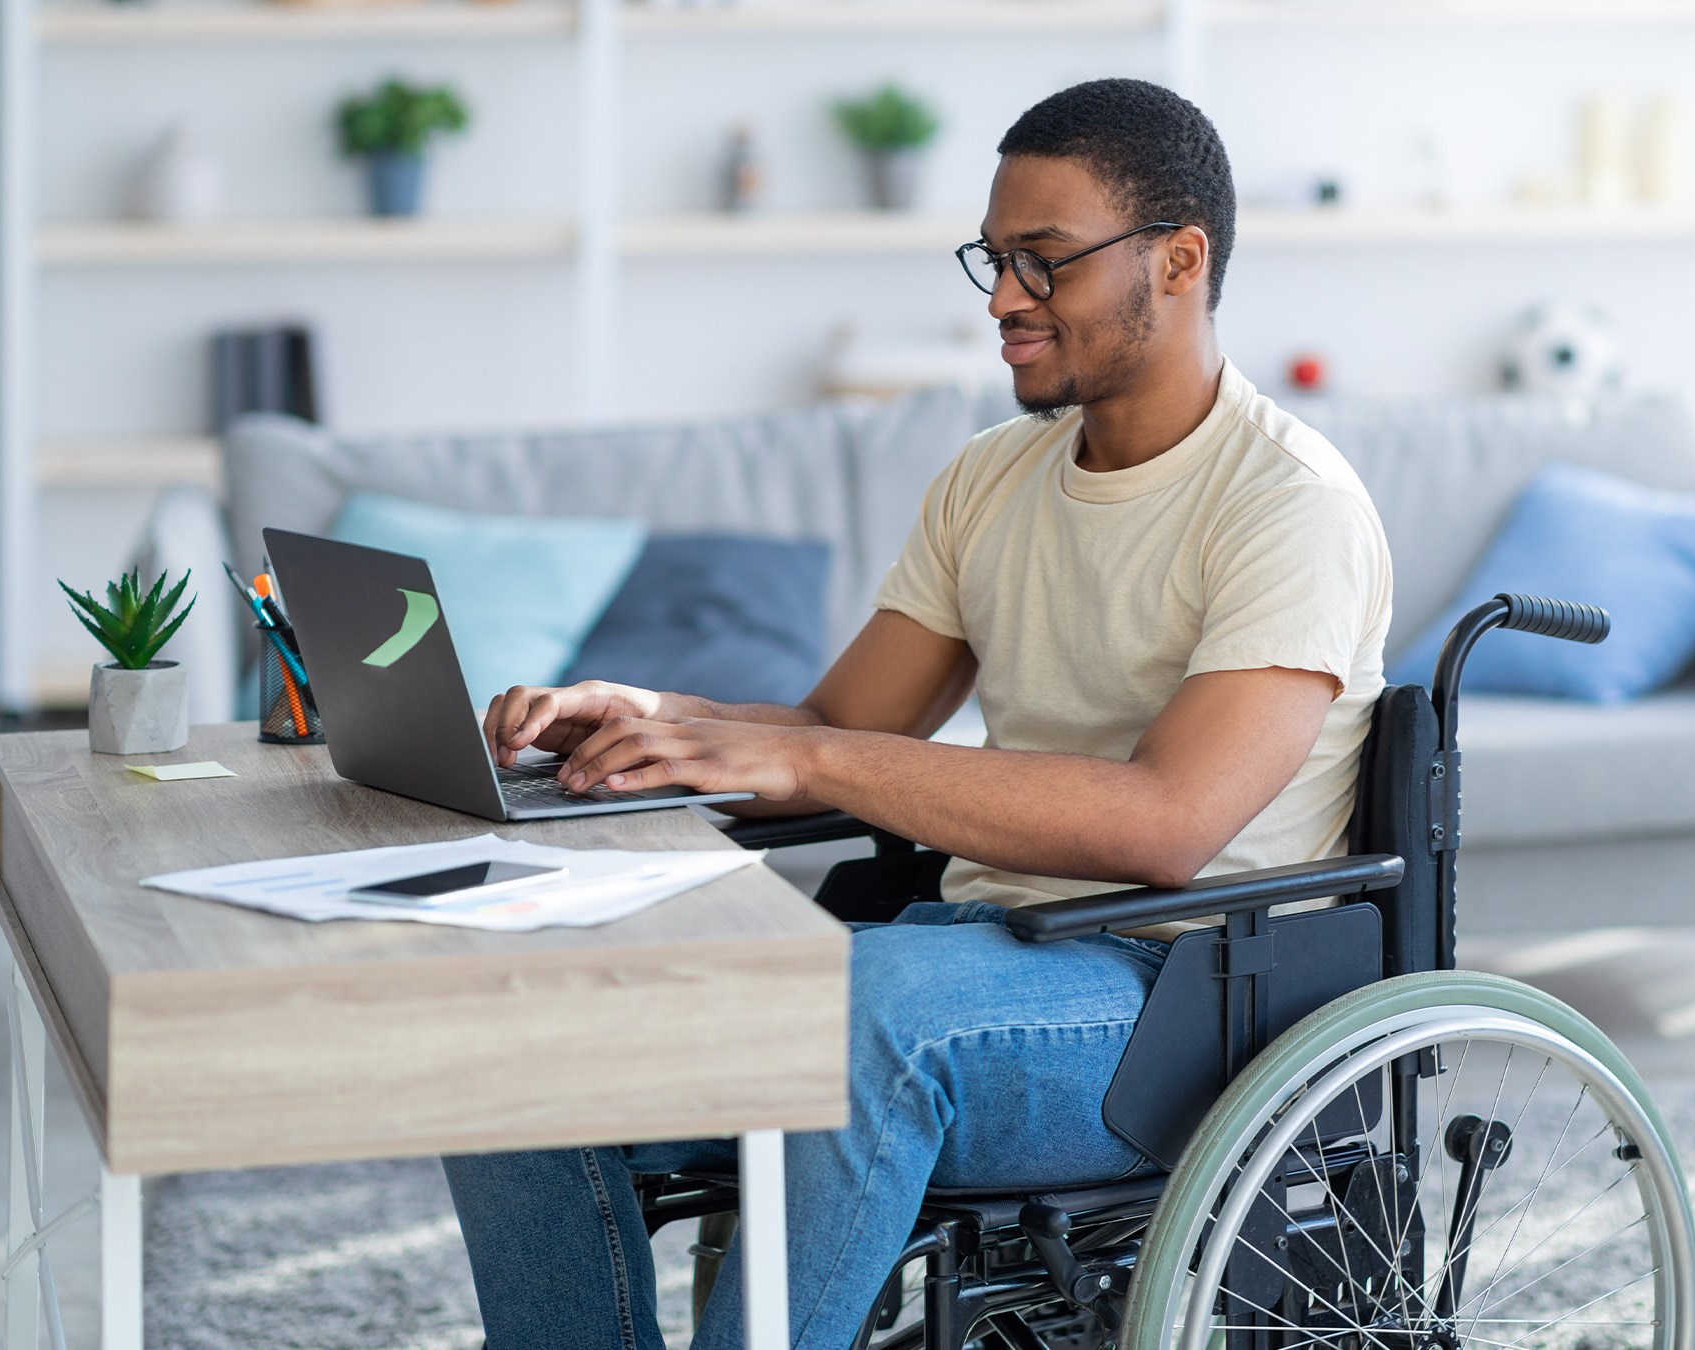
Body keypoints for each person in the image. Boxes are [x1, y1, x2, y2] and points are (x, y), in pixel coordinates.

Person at [442, 77, 1393, 1350]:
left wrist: (808, 753)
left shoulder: (1290, 507)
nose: (1003, 302)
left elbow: (1168, 824)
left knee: (854, 1009)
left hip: (1185, 1000)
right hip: (978, 952)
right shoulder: (991, 480)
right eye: (995, 262)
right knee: (516, 1038)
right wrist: (649, 711)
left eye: (1043, 264)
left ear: (1180, 260)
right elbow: (835, 726)